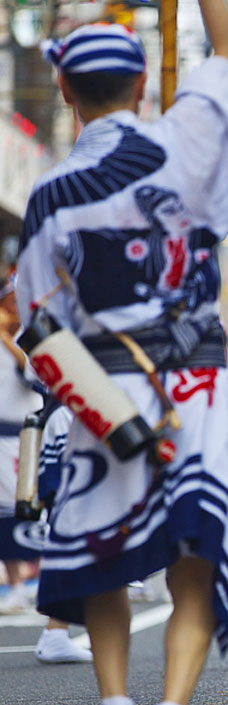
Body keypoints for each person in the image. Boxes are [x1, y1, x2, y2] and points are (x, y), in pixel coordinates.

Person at [15, 4, 228, 705]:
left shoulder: (50, 194)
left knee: (104, 549)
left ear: (63, 92)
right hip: (195, 387)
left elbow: (39, 325)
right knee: (195, 552)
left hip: (109, 400)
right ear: (139, 87)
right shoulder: (189, 135)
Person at [0, 275, 93, 662]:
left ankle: (57, 626)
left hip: (69, 418)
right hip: (69, 419)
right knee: (74, 521)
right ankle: (55, 625)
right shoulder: (56, 297)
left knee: (73, 523)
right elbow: (39, 371)